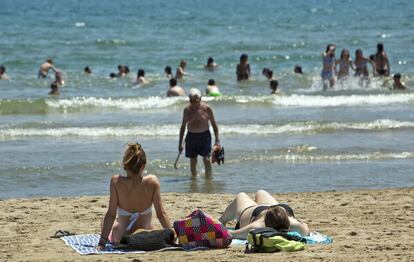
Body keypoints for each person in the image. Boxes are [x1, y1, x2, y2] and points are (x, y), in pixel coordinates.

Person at [97, 143, 172, 250]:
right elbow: (161, 214)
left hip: (123, 240)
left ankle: (117, 225)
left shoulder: (116, 182)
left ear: (125, 165)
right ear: (144, 165)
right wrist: (172, 238)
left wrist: (102, 242)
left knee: (105, 221)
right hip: (146, 238)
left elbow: (111, 215)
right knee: (148, 225)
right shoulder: (152, 182)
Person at [219, 190, 310, 240]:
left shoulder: (257, 226)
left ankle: (223, 220)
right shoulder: (295, 225)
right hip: (279, 208)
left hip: (259, 211)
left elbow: (231, 234)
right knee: (260, 192)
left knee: (242, 195)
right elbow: (306, 229)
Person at [178, 88, 220, 177]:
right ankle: (194, 179)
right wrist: (180, 143)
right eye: (191, 101)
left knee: (206, 159)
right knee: (193, 160)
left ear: (200, 98)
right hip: (191, 137)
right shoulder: (187, 110)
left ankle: (208, 179)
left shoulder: (207, 109)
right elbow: (183, 127)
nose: (193, 103)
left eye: (195, 101)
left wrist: (217, 139)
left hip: (205, 136)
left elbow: (214, 124)